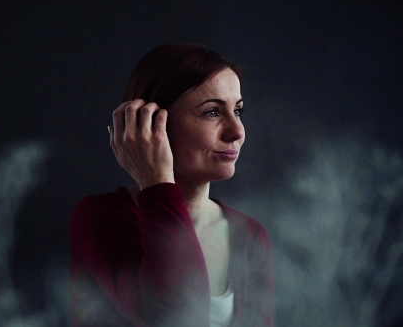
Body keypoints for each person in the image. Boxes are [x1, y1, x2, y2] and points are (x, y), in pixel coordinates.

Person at [69, 43, 273, 326]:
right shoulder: (100, 217)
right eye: (212, 112)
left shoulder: (249, 235)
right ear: (151, 124)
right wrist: (158, 183)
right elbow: (174, 315)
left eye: (237, 111)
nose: (237, 131)